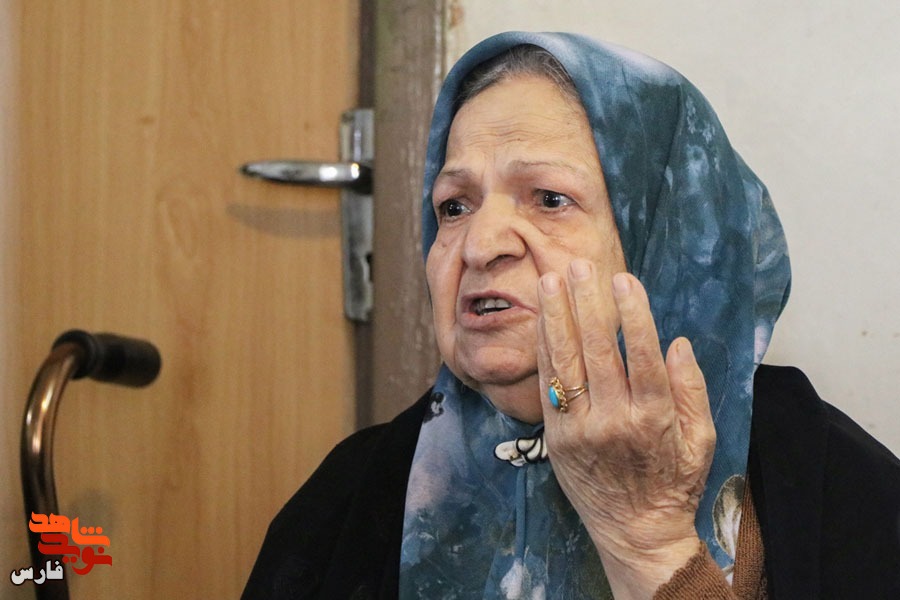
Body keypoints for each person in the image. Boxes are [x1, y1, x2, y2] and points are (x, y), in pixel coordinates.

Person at [242, 32, 900, 599]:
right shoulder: (351, 497)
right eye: (454, 206)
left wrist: (648, 543)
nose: (479, 244)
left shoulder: (827, 487)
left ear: (668, 240)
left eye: (549, 199)